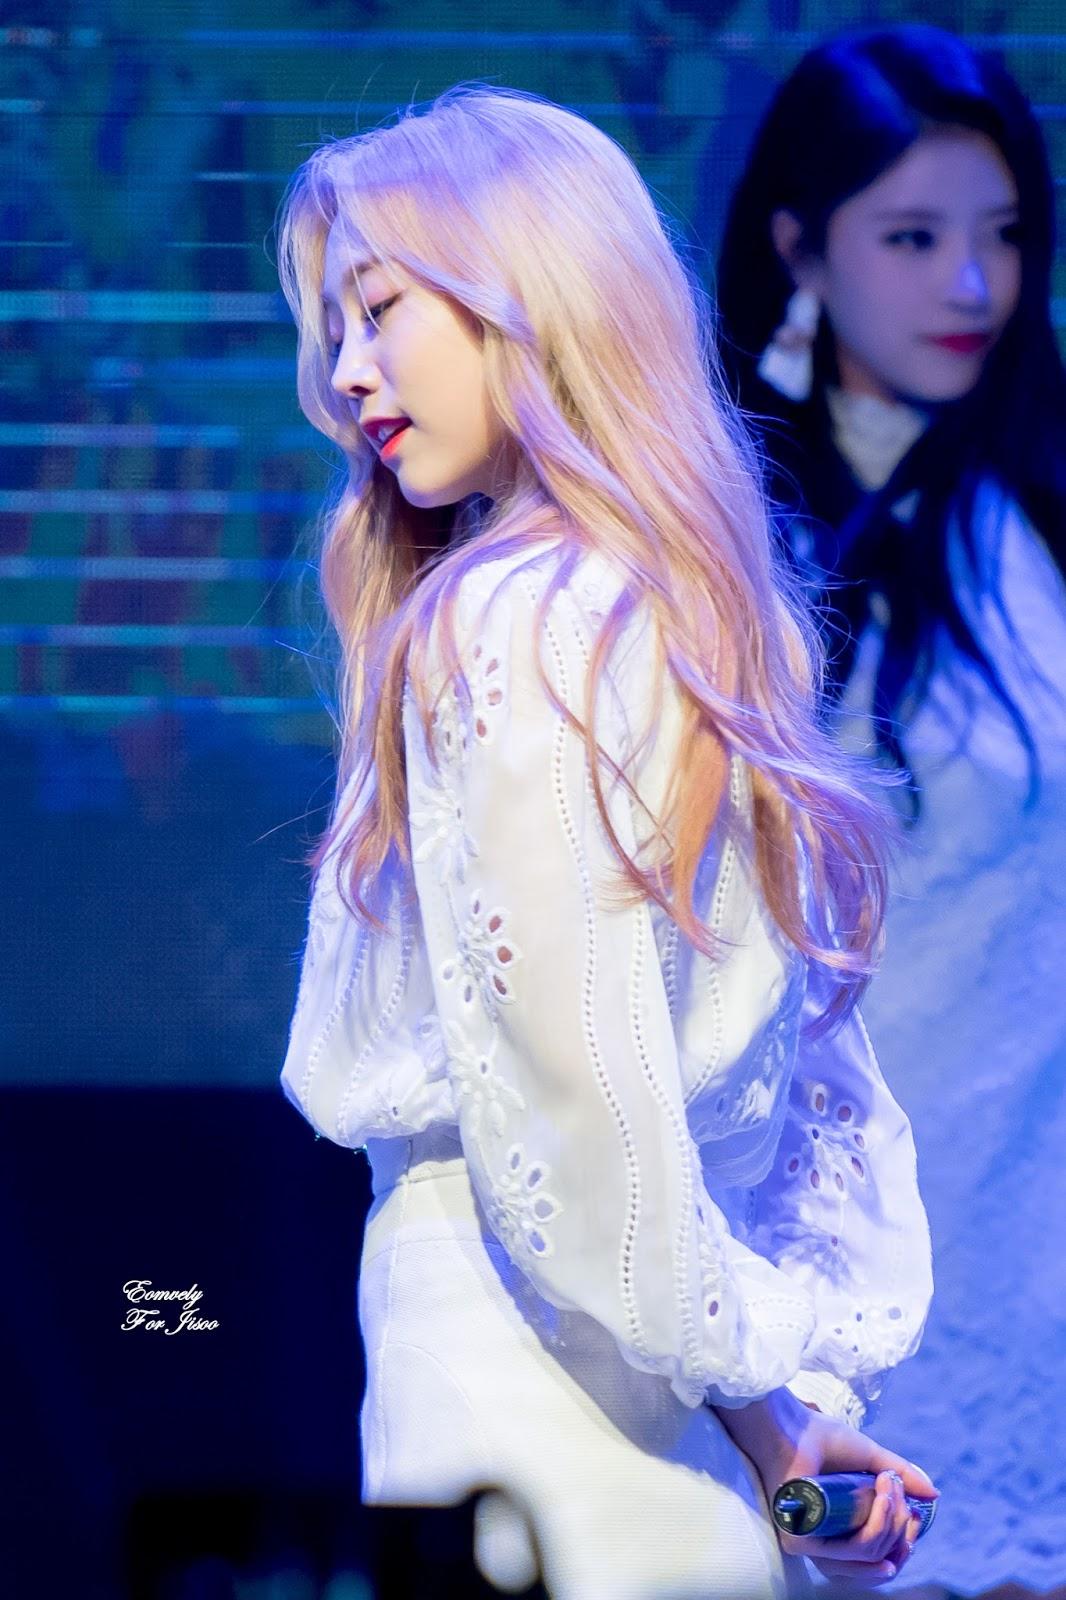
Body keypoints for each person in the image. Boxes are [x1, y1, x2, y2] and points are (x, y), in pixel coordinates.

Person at [275, 86, 936, 1600]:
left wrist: (766, 1405)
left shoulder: (514, 617)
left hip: (521, 1376)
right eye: (336, 327)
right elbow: (691, 1125)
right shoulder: (688, 621)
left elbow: (575, 1121)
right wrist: (779, 1417)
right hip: (675, 1393)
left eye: (380, 308)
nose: (347, 370)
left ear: (531, 294)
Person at [716, 25, 1066, 1600]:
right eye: (913, 238)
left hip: (1031, 1206)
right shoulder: (718, 530)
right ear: (799, 247)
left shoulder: (1037, 506)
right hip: (801, 1227)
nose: (971, 285)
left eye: (1002, 234)